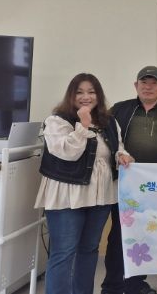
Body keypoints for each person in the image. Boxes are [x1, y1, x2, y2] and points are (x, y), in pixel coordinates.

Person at [36, 73, 132, 294]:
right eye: (79, 92)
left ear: (99, 95)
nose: (86, 96)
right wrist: (83, 126)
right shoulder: (57, 120)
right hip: (67, 195)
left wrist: (122, 156)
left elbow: (117, 147)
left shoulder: (109, 121)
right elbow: (67, 153)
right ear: (71, 95)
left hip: (101, 195)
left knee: (89, 249)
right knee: (63, 252)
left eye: (91, 92)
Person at [102, 66, 157, 294]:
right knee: (118, 236)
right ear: (136, 85)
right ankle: (111, 286)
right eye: (144, 82)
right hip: (123, 185)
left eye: (154, 83)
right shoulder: (119, 110)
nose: (148, 87)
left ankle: (135, 285)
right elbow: (106, 142)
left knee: (145, 236)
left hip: (156, 189)